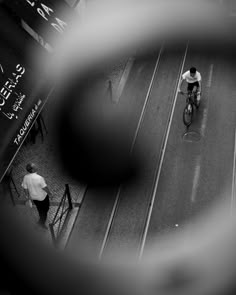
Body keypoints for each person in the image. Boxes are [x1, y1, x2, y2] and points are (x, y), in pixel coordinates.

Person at [22, 163, 52, 229]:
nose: (36, 166)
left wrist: (27, 197)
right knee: (45, 209)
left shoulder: (25, 177)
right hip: (43, 198)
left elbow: (25, 188)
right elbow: (45, 188)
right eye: (35, 166)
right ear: (32, 170)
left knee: (40, 209)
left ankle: (41, 219)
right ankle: (41, 222)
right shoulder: (39, 178)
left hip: (34, 198)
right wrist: (50, 194)